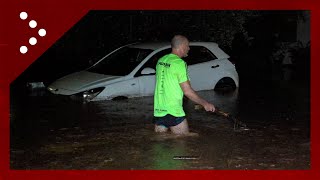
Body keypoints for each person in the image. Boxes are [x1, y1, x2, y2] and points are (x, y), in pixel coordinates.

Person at [153, 35, 216, 135]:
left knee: (160, 142)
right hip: (173, 111)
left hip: (159, 111)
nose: (189, 48)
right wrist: (204, 103)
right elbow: (187, 91)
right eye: (187, 46)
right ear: (182, 47)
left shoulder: (160, 61)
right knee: (185, 141)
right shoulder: (179, 63)